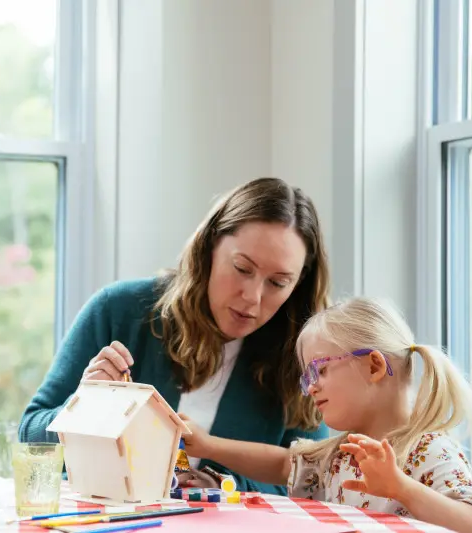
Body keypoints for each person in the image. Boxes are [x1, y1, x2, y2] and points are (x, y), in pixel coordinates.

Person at [18, 177, 331, 494]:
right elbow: (30, 438)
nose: (252, 296)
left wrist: (228, 486)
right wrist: (83, 409)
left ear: (297, 286)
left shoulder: (302, 355)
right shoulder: (118, 310)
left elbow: (314, 482)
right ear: (209, 247)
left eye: (277, 283)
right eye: (242, 268)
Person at [181, 296, 472, 533]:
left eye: (319, 371)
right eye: (306, 378)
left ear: (374, 366)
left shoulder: (428, 451)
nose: (310, 389)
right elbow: (283, 463)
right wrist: (209, 446)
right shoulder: (340, 454)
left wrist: (401, 487)